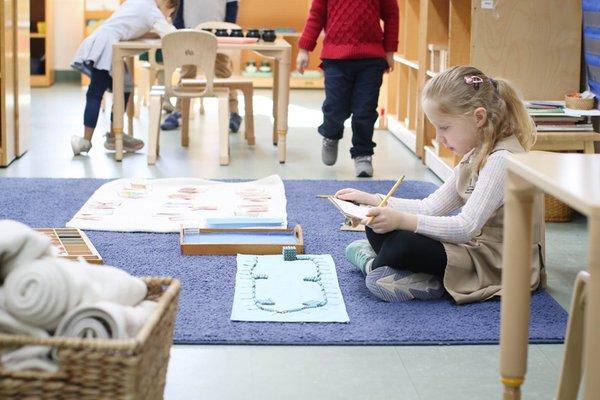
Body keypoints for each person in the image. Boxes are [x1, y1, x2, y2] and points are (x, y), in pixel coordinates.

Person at [337, 66, 543, 304]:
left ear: (479, 117)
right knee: (376, 224)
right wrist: (373, 201)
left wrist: (401, 220)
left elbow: (466, 227)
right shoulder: (476, 153)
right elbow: (430, 207)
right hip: (473, 248)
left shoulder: (501, 160)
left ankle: (374, 264)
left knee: (402, 243)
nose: (439, 138)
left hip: (498, 263)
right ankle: (411, 274)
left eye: (444, 127)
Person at [296, 0, 399, 177]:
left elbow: (391, 15)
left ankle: (363, 154)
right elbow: (316, 16)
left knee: (365, 111)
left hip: (371, 59)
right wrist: (304, 49)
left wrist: (390, 51)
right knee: (335, 108)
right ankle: (331, 134)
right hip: (335, 59)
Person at [70, 0, 178, 156]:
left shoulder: (139, 3)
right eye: (169, 13)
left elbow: (132, 26)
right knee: (96, 92)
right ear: (168, 4)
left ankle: (115, 135)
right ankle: (86, 141)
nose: (166, 16)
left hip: (105, 41)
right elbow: (169, 34)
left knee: (124, 88)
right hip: (108, 45)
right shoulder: (152, 10)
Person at [160, 0, 243, 133]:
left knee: (223, 73)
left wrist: (228, 29)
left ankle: (234, 113)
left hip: (218, 35)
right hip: (190, 33)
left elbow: (232, 6)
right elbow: (179, 6)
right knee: (186, 74)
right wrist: (179, 28)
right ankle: (179, 112)